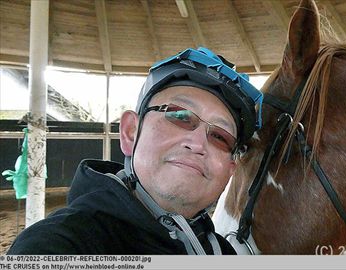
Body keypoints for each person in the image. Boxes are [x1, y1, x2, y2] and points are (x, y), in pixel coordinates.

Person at [7, 47, 263, 255]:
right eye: (180, 115)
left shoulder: (223, 253)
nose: (198, 144)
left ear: (231, 169)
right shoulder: (57, 245)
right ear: (130, 132)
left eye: (220, 136)